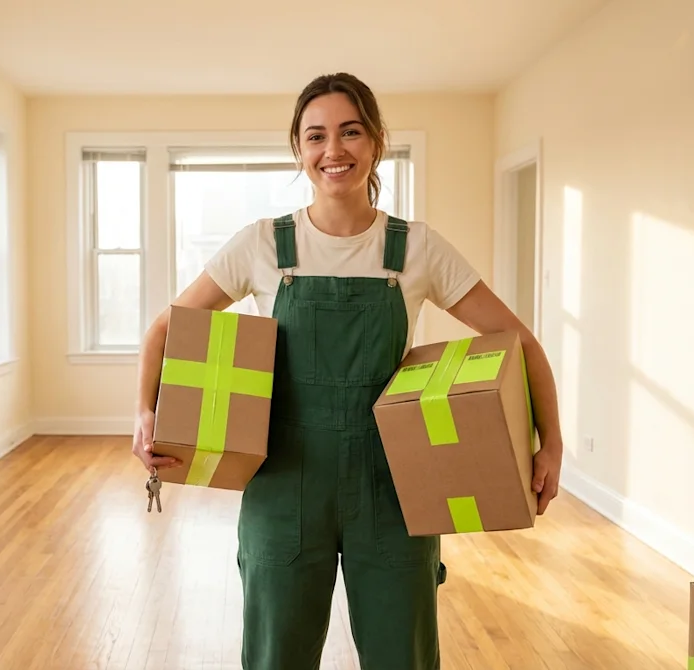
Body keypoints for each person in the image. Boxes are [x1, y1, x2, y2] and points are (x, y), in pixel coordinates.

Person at [131, 72, 564, 670]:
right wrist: (146, 414)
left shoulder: (415, 249)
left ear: (377, 141)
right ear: (299, 150)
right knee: (276, 656)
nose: (333, 151)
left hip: (393, 490)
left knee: (401, 657)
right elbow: (163, 331)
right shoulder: (261, 245)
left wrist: (552, 443)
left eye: (350, 132)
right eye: (316, 137)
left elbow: (520, 344)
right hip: (282, 486)